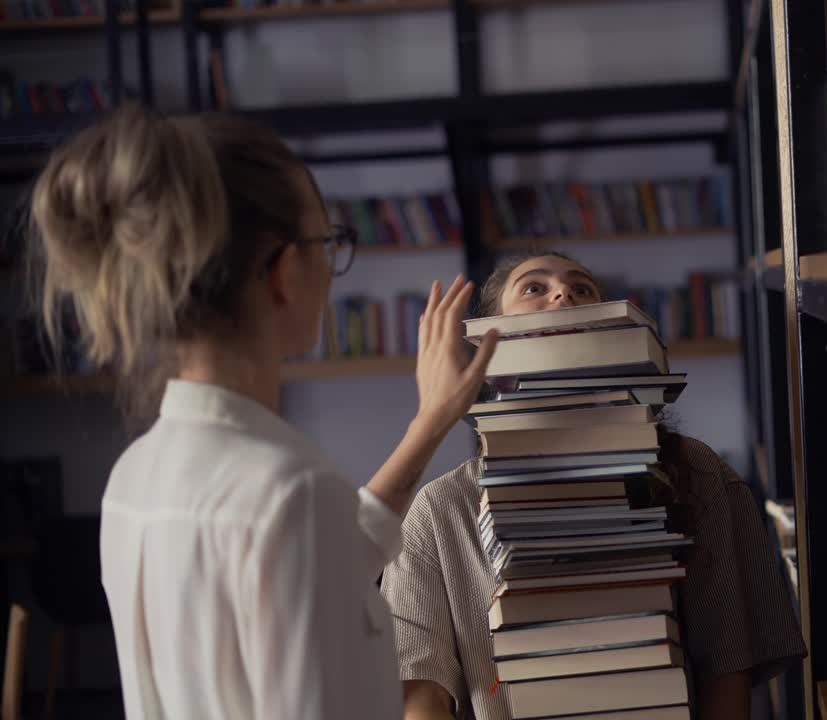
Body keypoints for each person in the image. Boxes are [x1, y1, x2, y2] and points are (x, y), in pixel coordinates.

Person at [28, 104, 497, 719]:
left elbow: (325, 561)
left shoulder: (134, 475)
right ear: (282, 270)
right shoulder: (290, 492)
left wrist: (430, 421)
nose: (332, 268)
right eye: (327, 242)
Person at [381, 251, 807, 720]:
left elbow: (728, 668)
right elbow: (420, 697)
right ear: (490, 344)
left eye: (582, 289)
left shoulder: (695, 472)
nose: (563, 293)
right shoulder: (439, 511)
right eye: (533, 288)